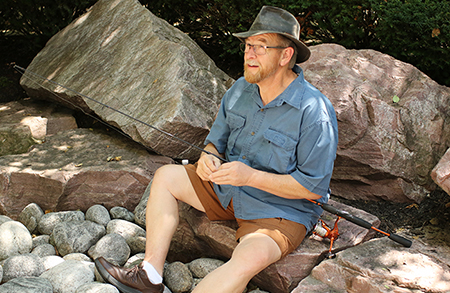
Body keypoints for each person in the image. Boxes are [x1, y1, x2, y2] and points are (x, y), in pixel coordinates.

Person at [95, 5, 338, 293]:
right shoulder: (239, 90)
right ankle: (149, 275)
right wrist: (207, 158)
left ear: (286, 55)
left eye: (261, 47)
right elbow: (214, 143)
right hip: (228, 190)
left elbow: (312, 188)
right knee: (166, 177)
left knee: (243, 263)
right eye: (248, 45)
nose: (250, 54)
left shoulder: (314, 111)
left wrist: (249, 177)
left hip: (280, 213)